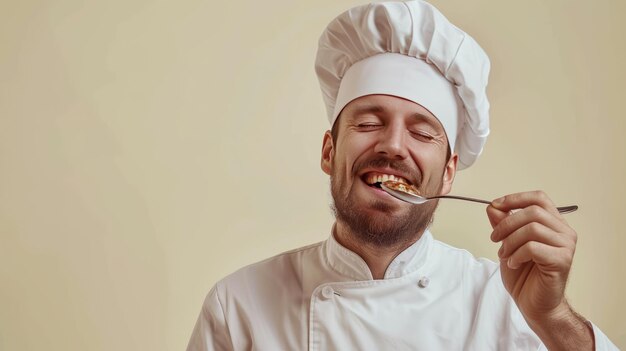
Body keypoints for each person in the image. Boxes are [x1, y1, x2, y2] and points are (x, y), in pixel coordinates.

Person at [187, 1, 618, 349]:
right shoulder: (239, 307)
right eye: (369, 122)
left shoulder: (507, 303)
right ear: (328, 151)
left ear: (448, 173)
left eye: (421, 131)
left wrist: (554, 318)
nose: (393, 146)